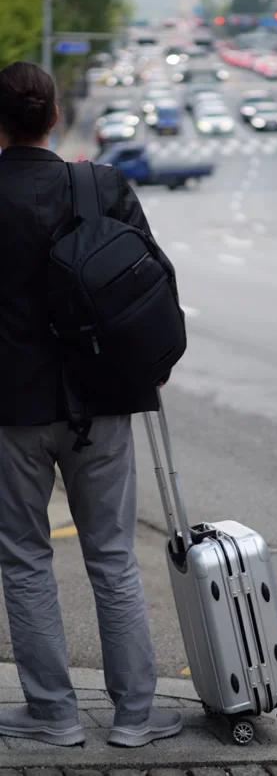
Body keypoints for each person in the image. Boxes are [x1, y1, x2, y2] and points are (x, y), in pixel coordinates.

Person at [0, 61, 182, 749]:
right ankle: (136, 715)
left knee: (23, 557)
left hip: (11, 410)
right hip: (102, 402)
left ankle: (53, 713)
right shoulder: (100, 184)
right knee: (112, 554)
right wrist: (153, 368)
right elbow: (154, 282)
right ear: (53, 117)